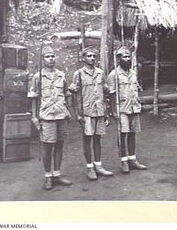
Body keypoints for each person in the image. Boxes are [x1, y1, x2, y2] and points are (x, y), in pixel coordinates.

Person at [28, 45, 72, 190]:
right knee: (47, 146)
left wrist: (68, 111)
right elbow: (34, 97)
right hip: (46, 116)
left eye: (53, 56)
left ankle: (57, 174)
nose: (51, 59)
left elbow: (67, 93)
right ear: (43, 59)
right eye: (48, 56)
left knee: (59, 144)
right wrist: (34, 117)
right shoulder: (37, 77)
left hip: (61, 115)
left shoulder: (61, 75)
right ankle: (48, 176)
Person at [69, 47, 113, 181]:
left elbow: (105, 91)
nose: (92, 58)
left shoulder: (100, 73)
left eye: (94, 56)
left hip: (99, 110)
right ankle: (89, 167)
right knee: (87, 140)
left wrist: (106, 111)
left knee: (98, 138)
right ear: (83, 58)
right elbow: (73, 95)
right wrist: (77, 114)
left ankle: (98, 166)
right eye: (89, 56)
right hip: (86, 112)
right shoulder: (79, 74)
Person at [107, 46, 147, 173]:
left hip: (134, 107)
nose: (127, 59)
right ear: (119, 59)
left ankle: (132, 159)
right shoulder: (114, 75)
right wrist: (113, 111)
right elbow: (112, 94)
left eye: (129, 56)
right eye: (125, 57)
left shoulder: (133, 73)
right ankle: (124, 160)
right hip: (122, 108)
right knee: (123, 134)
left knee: (133, 133)